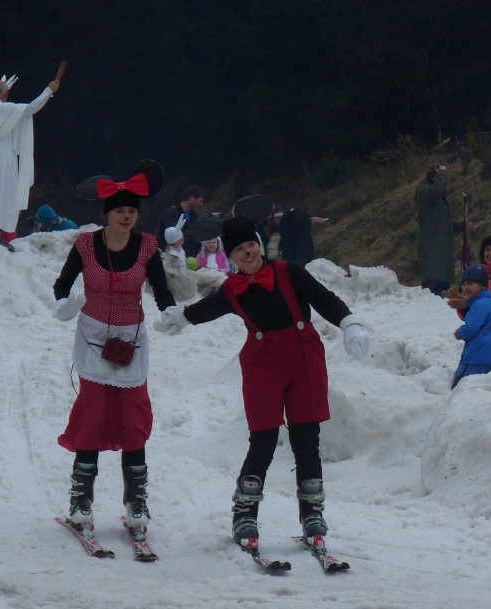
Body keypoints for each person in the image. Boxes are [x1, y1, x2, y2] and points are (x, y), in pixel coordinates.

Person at [156, 215, 369, 554]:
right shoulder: (232, 289)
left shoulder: (288, 272)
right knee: (264, 440)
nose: (248, 252)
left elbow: (324, 297)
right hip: (262, 366)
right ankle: (245, 515)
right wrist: (182, 317)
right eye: (239, 249)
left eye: (251, 244)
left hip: (303, 361)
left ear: (259, 243)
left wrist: (349, 323)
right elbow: (209, 308)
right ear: (231, 256)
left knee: (306, 438)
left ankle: (312, 514)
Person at [52, 160, 176, 531]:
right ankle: (81, 500)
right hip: (92, 340)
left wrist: (171, 311)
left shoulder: (147, 246)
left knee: (133, 418)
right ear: (107, 213)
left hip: (131, 342)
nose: (126, 217)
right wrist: (65, 303)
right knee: (92, 415)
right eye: (120, 211)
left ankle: (137, 501)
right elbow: (62, 283)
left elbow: (161, 288)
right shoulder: (86, 244)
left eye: (132, 212)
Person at [0, 75, 60, 248]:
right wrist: (48, 91)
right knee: (4, 193)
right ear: (6, 94)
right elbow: (31, 108)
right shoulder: (4, 108)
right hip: (3, 157)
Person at [451, 264, 491, 388]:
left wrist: (460, 333)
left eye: (471, 283)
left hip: (476, 358)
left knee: (460, 386)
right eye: (464, 284)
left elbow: (471, 328)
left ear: (483, 286)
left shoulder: (480, 305)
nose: (466, 288)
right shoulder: (490, 303)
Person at [415, 164, 462, 293]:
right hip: (432, 249)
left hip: (441, 250)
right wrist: (442, 173)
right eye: (440, 176)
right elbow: (437, 191)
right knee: (433, 286)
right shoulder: (425, 191)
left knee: (440, 285)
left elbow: (443, 224)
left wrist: (461, 226)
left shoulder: (437, 199)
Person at [158, 185, 205, 255]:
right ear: (191, 198)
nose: (201, 205)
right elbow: (175, 236)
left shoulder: (195, 218)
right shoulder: (172, 213)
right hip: (171, 256)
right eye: (200, 201)